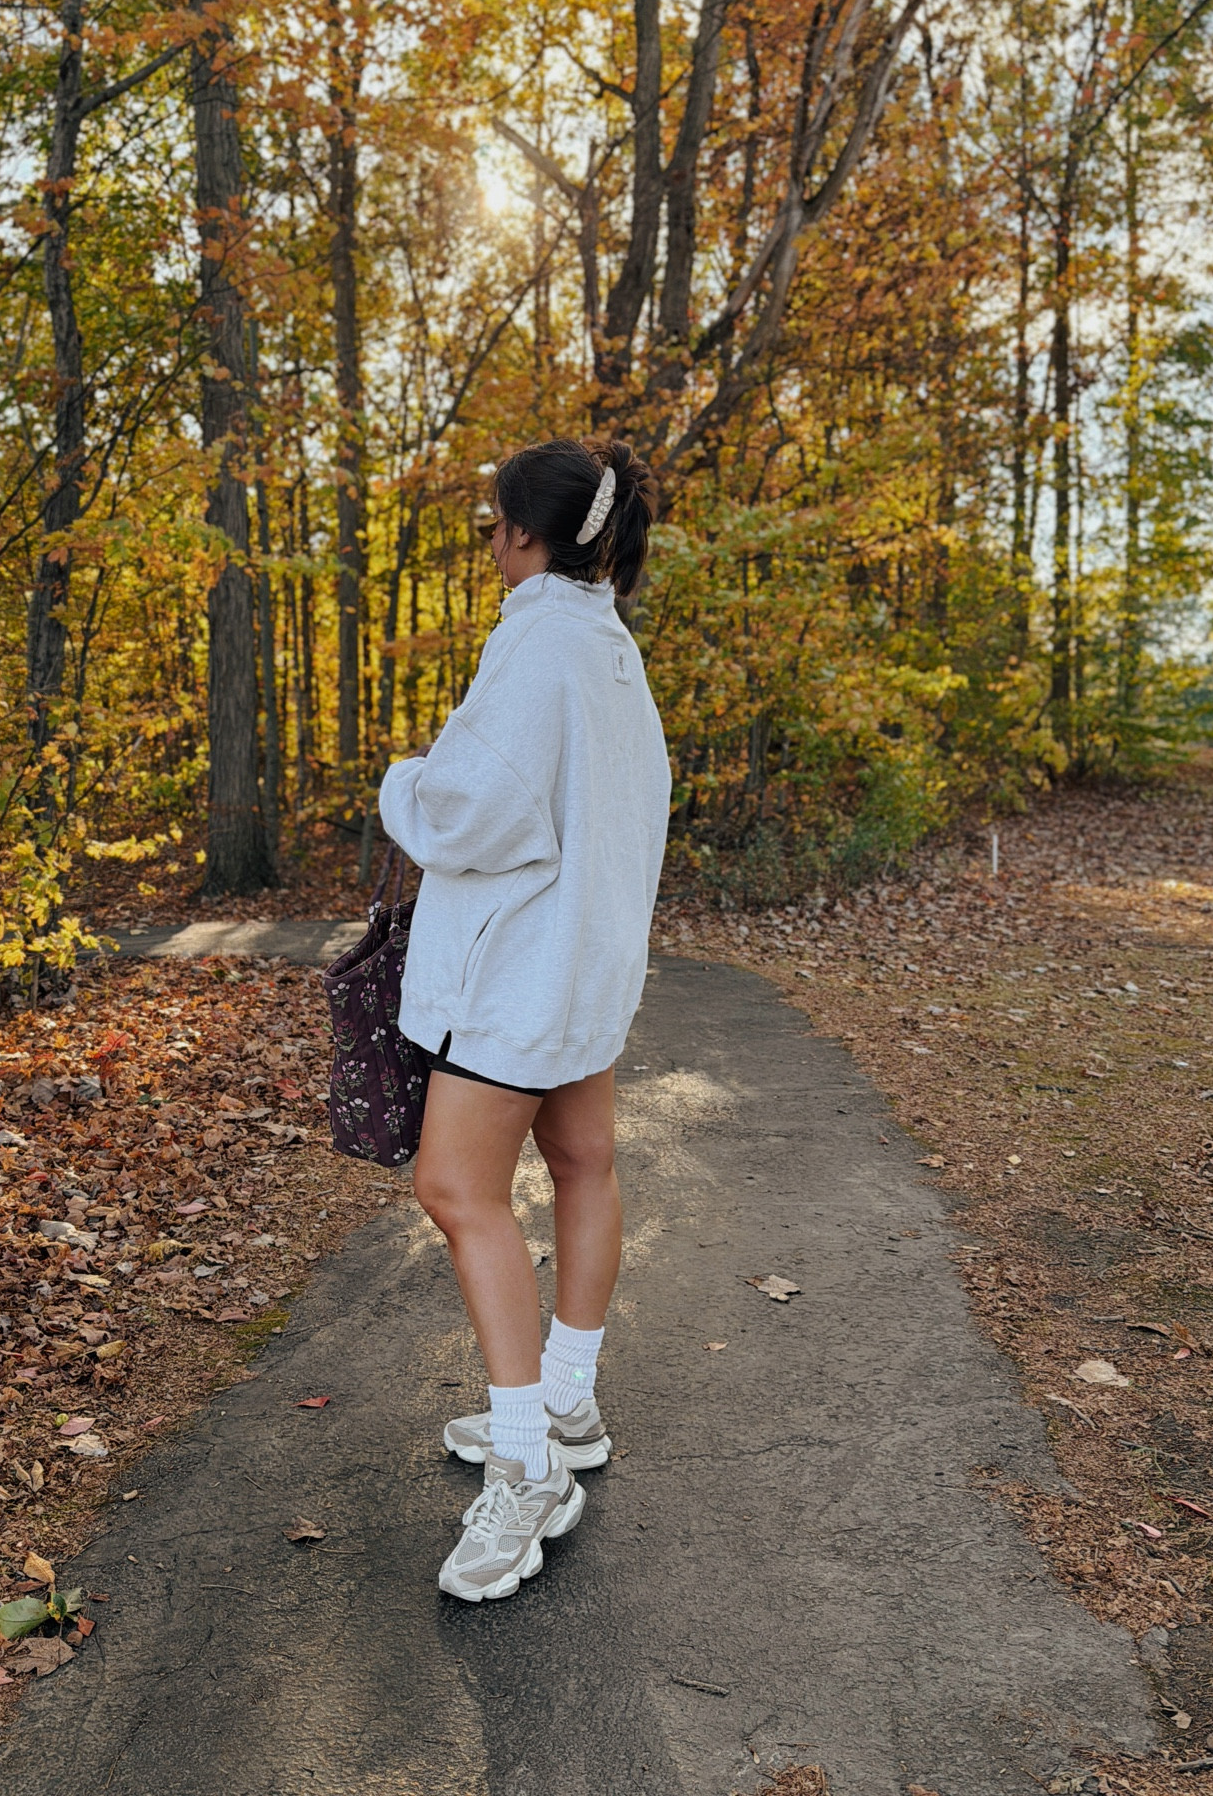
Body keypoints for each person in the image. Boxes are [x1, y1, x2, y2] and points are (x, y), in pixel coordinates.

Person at [378, 436, 670, 1603]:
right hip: (584, 962)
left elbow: (473, 806)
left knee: (455, 1188)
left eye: (495, 521)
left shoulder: (538, 640)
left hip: (523, 972)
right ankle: (563, 1393)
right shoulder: (605, 643)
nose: (488, 539)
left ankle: (527, 1466)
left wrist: (403, 780)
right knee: (584, 1160)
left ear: (526, 534)